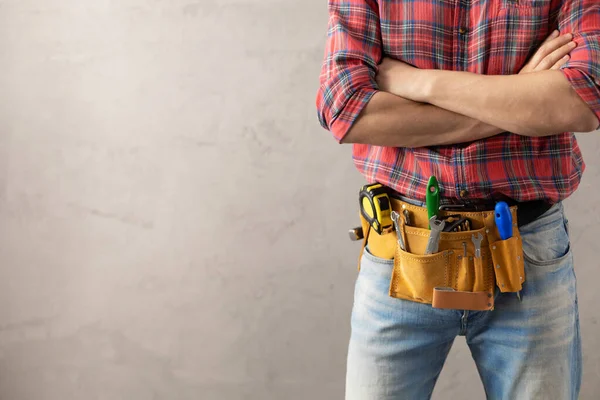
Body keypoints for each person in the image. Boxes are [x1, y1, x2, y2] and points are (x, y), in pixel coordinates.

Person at [316, 0, 600, 399]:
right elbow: (346, 110)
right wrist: (519, 94)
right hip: (400, 250)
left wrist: (421, 83)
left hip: (528, 256)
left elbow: (582, 99)